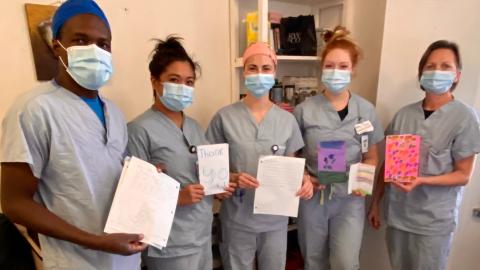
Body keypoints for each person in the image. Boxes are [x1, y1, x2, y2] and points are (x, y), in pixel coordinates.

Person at [0, 0, 146, 269]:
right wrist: (97, 241)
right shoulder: (34, 110)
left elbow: (105, 172)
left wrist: (146, 180)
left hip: (125, 255)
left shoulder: (113, 112)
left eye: (103, 44)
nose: (94, 50)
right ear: (57, 46)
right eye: (80, 40)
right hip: (76, 260)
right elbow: (13, 203)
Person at [368, 40, 480, 270]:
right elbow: (387, 166)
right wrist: (376, 203)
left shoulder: (465, 117)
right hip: (398, 217)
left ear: (457, 75)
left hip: (433, 224)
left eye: (445, 66)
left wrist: (422, 180)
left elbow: (463, 175)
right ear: (421, 73)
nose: (437, 71)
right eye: (430, 66)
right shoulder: (404, 115)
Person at [206, 42, 313, 270]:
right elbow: (210, 172)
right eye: (252, 68)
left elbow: (293, 166)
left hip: (275, 220)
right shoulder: (224, 118)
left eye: (266, 68)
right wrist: (233, 178)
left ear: (274, 72)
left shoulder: (287, 120)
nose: (259, 74)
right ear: (243, 71)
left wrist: (304, 181)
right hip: (237, 219)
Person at [127, 36, 230, 270]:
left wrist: (220, 186)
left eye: (189, 82)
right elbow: (132, 197)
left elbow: (203, 174)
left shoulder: (194, 127)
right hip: (168, 245)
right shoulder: (138, 130)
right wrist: (177, 197)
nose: (183, 88)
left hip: (201, 235)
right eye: (174, 80)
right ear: (154, 82)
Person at [293, 26, 384, 270]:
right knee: (314, 262)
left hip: (350, 201)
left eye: (343, 66)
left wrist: (362, 181)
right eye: (330, 66)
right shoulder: (304, 110)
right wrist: (303, 177)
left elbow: (372, 156)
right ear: (322, 69)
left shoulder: (366, 111)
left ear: (353, 70)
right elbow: (292, 157)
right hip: (313, 199)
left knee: (345, 262)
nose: (336, 72)